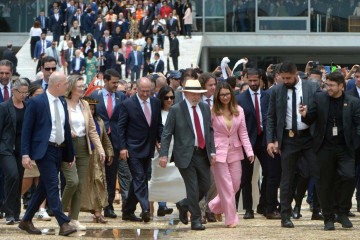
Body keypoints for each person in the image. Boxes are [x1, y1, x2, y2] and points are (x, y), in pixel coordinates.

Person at [299, 71, 360, 230]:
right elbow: (310, 117)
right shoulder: (320, 98)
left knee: (349, 176)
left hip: (345, 148)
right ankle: (328, 217)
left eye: (332, 85)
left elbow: (357, 125)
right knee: (325, 182)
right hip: (324, 147)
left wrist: (355, 144)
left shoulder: (352, 102)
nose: (328, 88)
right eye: (327, 84)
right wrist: (305, 115)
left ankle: (343, 212)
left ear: (341, 86)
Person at [19, 71, 77, 236]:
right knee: (53, 185)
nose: (68, 86)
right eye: (66, 84)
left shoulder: (62, 102)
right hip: (44, 151)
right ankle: (63, 222)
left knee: (44, 188)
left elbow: (65, 128)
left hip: (59, 149)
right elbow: (27, 130)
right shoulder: (37, 102)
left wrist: (70, 154)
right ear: (58, 85)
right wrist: (25, 154)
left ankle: (26, 220)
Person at [266, 61, 319, 228]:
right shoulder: (276, 90)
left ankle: (320, 210)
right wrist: (270, 140)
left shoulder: (312, 87)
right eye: (283, 78)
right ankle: (285, 215)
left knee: (317, 173)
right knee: (286, 178)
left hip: (309, 137)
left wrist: (308, 113)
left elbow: (319, 112)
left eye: (288, 78)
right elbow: (271, 117)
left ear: (296, 74)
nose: (286, 81)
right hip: (288, 139)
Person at [159, 79, 216, 231]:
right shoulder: (176, 109)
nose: (196, 97)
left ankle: (184, 203)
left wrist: (212, 151)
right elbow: (167, 133)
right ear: (185, 93)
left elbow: (209, 131)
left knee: (204, 185)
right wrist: (163, 154)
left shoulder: (204, 108)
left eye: (198, 94)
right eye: (193, 93)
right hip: (185, 155)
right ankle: (196, 220)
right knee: (193, 187)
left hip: (202, 153)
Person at [61, 75, 105, 231]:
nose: (83, 88)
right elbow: (58, 123)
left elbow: (92, 129)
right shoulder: (62, 103)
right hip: (67, 146)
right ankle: (59, 210)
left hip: (84, 146)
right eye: (80, 86)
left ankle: (74, 218)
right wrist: (68, 130)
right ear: (72, 87)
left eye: (83, 86)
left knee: (80, 184)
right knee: (73, 181)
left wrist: (100, 149)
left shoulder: (85, 104)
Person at [208, 81, 254, 228]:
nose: (225, 97)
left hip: (235, 150)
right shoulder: (212, 111)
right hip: (218, 153)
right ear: (217, 96)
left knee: (235, 184)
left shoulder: (239, 110)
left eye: (227, 94)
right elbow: (208, 134)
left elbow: (244, 133)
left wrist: (249, 151)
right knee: (226, 186)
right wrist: (210, 152)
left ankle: (214, 205)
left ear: (232, 94)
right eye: (222, 95)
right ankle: (231, 219)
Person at [118, 77, 163, 222]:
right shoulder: (127, 104)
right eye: (143, 91)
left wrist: (160, 140)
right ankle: (145, 209)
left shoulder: (155, 102)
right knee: (139, 178)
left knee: (139, 179)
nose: (145, 94)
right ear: (136, 89)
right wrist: (123, 147)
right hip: (133, 148)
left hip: (148, 147)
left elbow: (157, 124)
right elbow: (121, 128)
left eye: (148, 91)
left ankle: (128, 211)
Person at [89, 69, 129, 219]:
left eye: (117, 82)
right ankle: (96, 205)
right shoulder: (94, 96)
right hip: (98, 140)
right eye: (113, 82)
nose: (116, 85)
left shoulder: (122, 97)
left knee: (111, 176)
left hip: (115, 141)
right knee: (97, 175)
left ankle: (109, 206)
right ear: (105, 81)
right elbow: (89, 116)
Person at [236, 68, 270, 219]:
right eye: (250, 81)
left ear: (261, 79)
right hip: (247, 142)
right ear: (245, 80)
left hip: (264, 141)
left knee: (270, 172)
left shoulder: (268, 96)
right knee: (246, 177)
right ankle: (248, 208)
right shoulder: (240, 99)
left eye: (255, 80)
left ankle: (264, 204)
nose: (253, 83)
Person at [148, 86, 186, 217]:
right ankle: (150, 208)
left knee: (178, 180)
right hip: (159, 152)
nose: (170, 100)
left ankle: (183, 207)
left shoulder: (178, 111)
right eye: (166, 97)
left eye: (172, 97)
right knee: (156, 179)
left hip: (176, 151)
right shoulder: (156, 113)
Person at [80, 96, 114, 224]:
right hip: (84, 156)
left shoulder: (99, 121)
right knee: (86, 184)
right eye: (89, 109)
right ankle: (89, 211)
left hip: (97, 157)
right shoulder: (79, 121)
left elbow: (104, 138)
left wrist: (109, 151)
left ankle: (98, 211)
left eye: (93, 109)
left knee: (99, 181)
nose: (91, 111)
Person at [0, 78, 29, 224]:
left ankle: (15, 213)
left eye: (26, 92)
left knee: (18, 180)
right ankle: (8, 211)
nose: (24, 95)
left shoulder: (28, 106)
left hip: (22, 149)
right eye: (22, 92)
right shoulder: (4, 107)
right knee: (12, 176)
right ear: (14, 90)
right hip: (6, 148)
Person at [21, 85, 51, 221]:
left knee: (42, 180)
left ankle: (42, 209)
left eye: (42, 95)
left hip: (44, 149)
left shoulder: (48, 108)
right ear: (30, 96)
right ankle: (12, 204)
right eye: (37, 95)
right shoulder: (27, 108)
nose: (40, 98)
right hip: (30, 150)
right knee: (27, 180)